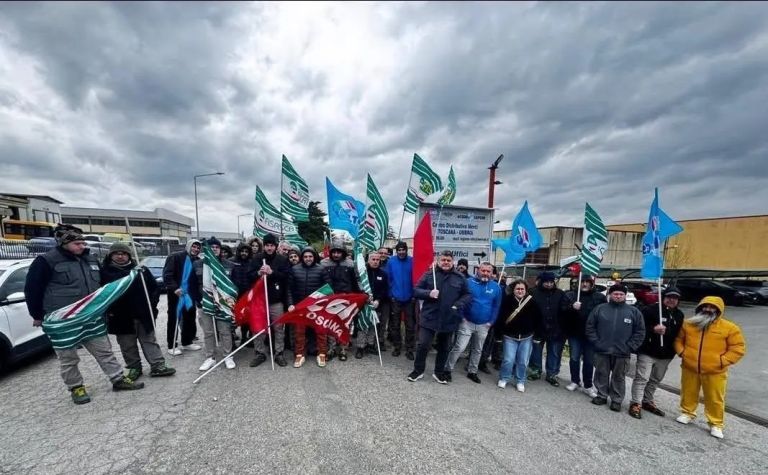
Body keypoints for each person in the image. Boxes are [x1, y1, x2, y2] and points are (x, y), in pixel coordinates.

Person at [24, 225, 143, 404]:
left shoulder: (90, 259)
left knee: (104, 351)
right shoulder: (46, 261)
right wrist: (37, 315)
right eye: (77, 243)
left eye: (82, 242)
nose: (82, 246)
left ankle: (117, 379)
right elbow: (32, 289)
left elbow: (105, 283)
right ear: (64, 243)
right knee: (68, 358)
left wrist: (130, 275)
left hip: (92, 317)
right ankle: (76, 387)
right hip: (64, 320)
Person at [101, 242, 175, 381]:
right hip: (120, 316)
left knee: (149, 341)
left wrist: (152, 306)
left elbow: (154, 289)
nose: (120, 256)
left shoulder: (141, 270)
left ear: (129, 255)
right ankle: (134, 367)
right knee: (127, 344)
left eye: (123, 253)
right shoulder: (106, 272)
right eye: (117, 253)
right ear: (111, 256)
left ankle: (158, 365)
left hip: (143, 314)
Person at [674, 296, 746, 439]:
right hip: (690, 367)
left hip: (715, 371)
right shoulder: (688, 324)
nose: (708, 309)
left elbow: (738, 348)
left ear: (719, 310)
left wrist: (722, 361)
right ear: (699, 308)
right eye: (705, 306)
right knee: (688, 391)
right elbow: (678, 340)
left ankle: (716, 423)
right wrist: (682, 353)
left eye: (712, 307)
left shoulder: (730, 328)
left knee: (714, 398)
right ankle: (687, 413)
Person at [407, 251, 471, 384]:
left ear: (452, 261)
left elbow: (467, 295)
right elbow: (416, 290)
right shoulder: (430, 275)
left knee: (444, 347)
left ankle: (439, 372)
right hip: (429, 317)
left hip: (449, 317)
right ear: (438, 261)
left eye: (448, 260)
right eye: (443, 260)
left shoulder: (459, 277)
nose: (446, 262)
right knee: (423, 344)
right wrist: (428, 293)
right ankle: (418, 371)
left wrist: (458, 304)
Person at [586, 284, 645, 412]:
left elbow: (640, 332)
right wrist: (596, 342)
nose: (618, 296)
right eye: (615, 294)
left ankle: (616, 400)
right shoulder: (600, 309)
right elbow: (590, 327)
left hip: (622, 352)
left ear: (625, 296)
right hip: (602, 350)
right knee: (601, 374)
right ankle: (601, 395)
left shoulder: (633, 312)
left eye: (621, 294)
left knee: (619, 377)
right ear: (610, 295)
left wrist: (630, 347)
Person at [628, 287, 685, 419]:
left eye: (675, 298)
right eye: (669, 297)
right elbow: (638, 328)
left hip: (666, 354)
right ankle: (635, 403)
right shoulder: (650, 310)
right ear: (663, 297)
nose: (672, 300)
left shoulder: (679, 315)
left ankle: (647, 401)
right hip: (647, 351)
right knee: (642, 378)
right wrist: (653, 329)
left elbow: (679, 335)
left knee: (655, 379)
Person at [444, 262, 501, 384]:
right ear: (478, 270)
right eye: (483, 270)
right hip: (467, 322)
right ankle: (447, 370)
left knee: (477, 349)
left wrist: (491, 322)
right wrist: (462, 317)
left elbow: (496, 306)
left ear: (492, 273)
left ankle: (472, 372)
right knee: (459, 347)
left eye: (488, 271)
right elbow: (460, 300)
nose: (485, 273)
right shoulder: (468, 282)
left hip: (484, 325)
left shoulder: (496, 287)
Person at [246, 233, 291, 368]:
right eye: (267, 245)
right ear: (264, 246)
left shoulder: (282, 260)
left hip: (276, 300)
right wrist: (258, 273)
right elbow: (249, 276)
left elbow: (287, 276)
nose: (269, 248)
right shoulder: (257, 258)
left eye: (272, 245)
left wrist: (273, 273)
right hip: (260, 300)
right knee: (258, 327)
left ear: (275, 246)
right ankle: (260, 352)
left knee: (278, 328)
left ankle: (279, 353)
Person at [196, 237, 236, 371]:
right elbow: (191, 284)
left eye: (217, 247)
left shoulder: (228, 264)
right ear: (207, 249)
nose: (214, 249)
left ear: (220, 249)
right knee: (208, 332)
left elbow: (232, 285)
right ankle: (210, 357)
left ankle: (228, 356)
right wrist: (198, 299)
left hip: (223, 304)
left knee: (225, 331)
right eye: (211, 247)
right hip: (204, 303)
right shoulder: (198, 264)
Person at [287, 246, 331, 367]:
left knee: (321, 331)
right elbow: (289, 289)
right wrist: (290, 304)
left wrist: (323, 303)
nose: (308, 259)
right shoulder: (295, 269)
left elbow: (328, 288)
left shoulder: (321, 269)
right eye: (305, 256)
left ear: (314, 257)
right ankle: (299, 354)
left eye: (310, 256)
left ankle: (322, 354)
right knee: (299, 332)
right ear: (302, 257)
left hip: (317, 307)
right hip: (300, 306)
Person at [563, 275, 605, 397]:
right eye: (583, 282)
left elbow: (604, 315)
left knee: (589, 361)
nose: (585, 284)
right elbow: (562, 310)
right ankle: (575, 381)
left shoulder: (599, 297)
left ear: (592, 284)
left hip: (591, 335)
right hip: (574, 333)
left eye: (587, 282)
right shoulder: (570, 295)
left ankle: (588, 385)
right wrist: (572, 307)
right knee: (574, 358)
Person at [496, 279, 541, 392]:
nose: (520, 291)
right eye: (518, 289)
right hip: (510, 336)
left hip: (526, 337)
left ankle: (520, 380)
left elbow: (539, 319)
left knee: (523, 361)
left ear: (526, 290)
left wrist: (538, 335)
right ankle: (504, 378)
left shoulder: (532, 302)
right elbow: (500, 318)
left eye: (522, 289)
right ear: (513, 290)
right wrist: (498, 334)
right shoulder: (506, 300)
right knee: (508, 359)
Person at [529, 271, 570, 386]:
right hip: (538, 328)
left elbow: (564, 309)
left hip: (556, 329)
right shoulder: (533, 292)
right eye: (546, 282)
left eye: (551, 282)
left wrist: (571, 307)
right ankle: (536, 371)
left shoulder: (560, 294)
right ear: (541, 281)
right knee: (536, 352)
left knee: (554, 352)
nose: (548, 284)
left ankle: (551, 374)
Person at [162, 238, 203, 355]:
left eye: (198, 247)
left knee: (189, 318)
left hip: (190, 294)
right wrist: (175, 288)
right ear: (189, 246)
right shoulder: (175, 257)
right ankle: (171, 345)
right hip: (177, 293)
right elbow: (167, 275)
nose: (196, 249)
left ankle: (187, 342)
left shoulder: (197, 260)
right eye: (194, 246)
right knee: (174, 318)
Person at [321, 240, 360, 361]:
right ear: (331, 252)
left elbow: (356, 281)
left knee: (345, 324)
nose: (336, 254)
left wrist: (361, 293)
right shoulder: (323, 263)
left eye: (339, 252)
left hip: (346, 298)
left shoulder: (350, 263)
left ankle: (344, 348)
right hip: (330, 298)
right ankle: (331, 348)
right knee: (331, 324)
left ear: (343, 252)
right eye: (334, 252)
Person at [355, 251, 389, 359]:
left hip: (376, 304)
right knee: (363, 325)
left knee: (373, 326)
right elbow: (358, 287)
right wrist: (364, 297)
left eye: (377, 260)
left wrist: (378, 300)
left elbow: (384, 289)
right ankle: (361, 347)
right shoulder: (362, 273)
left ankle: (370, 345)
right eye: (373, 259)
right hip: (364, 303)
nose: (375, 261)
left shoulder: (383, 274)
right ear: (368, 260)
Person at [386, 241, 417, 359]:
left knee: (410, 325)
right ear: (396, 251)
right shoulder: (391, 261)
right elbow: (388, 279)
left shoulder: (412, 260)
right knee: (395, 324)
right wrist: (391, 295)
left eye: (403, 249)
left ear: (406, 250)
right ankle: (397, 346)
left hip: (410, 298)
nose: (401, 252)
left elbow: (416, 278)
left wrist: (414, 295)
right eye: (399, 250)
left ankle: (409, 348)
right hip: (396, 298)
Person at [230, 243, 254, 345]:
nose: (244, 253)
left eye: (246, 251)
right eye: (242, 251)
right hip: (234, 295)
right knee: (232, 318)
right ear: (238, 251)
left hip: (247, 295)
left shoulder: (251, 262)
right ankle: (231, 339)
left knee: (246, 318)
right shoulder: (231, 261)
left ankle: (245, 337)